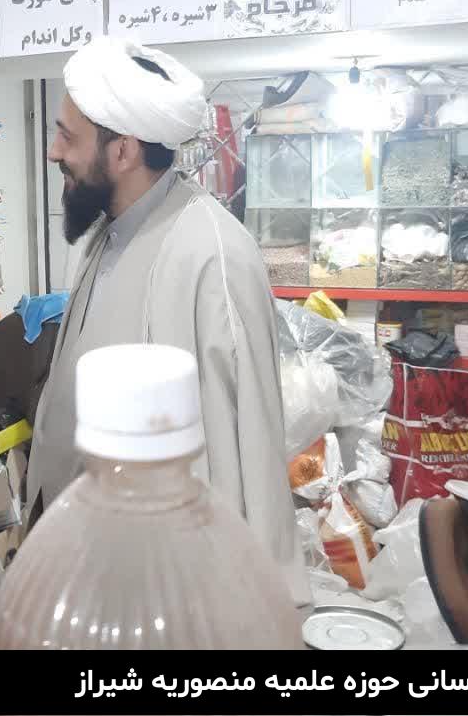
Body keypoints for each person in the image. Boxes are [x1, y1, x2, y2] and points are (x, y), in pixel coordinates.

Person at [26, 37, 307, 602]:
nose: (54, 152)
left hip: (163, 585)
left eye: (67, 136)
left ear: (123, 151)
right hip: (90, 562)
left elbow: (249, 445)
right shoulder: (110, 230)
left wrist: (258, 605)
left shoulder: (213, 256)